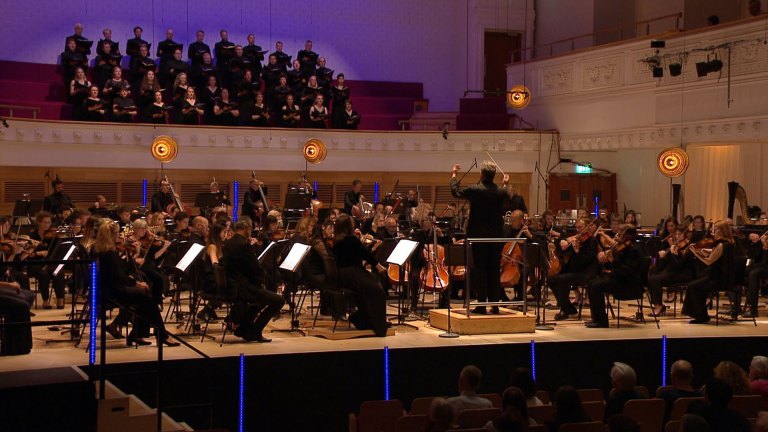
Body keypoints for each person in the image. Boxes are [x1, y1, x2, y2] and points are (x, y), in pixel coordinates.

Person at [94, 219, 179, 347]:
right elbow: (119, 276)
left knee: (146, 298)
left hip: (109, 289)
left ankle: (138, 335)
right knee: (148, 299)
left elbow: (122, 270)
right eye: (117, 233)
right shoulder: (110, 253)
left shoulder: (104, 251)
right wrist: (137, 284)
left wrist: (135, 254)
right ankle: (162, 335)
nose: (119, 236)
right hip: (113, 291)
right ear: (112, 235)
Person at [450, 161, 512, 314]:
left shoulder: (476, 189)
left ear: (482, 174)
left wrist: (454, 175)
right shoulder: (501, 192)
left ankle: (482, 305)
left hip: (478, 236)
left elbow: (456, 192)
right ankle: (495, 305)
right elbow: (505, 198)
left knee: (480, 271)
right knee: (493, 270)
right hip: (496, 237)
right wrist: (504, 185)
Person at [222, 219, 285, 342]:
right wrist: (263, 279)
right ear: (246, 228)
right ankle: (255, 331)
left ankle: (244, 329)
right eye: (250, 229)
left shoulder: (229, 243)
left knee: (260, 300)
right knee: (279, 300)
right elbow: (255, 268)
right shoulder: (243, 245)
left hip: (234, 285)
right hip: (242, 288)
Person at [332, 214, 389, 336]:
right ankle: (378, 325)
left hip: (342, 275)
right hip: (354, 273)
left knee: (365, 292)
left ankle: (365, 320)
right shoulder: (351, 240)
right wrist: (379, 267)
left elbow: (355, 252)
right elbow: (365, 254)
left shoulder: (337, 240)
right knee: (378, 292)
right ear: (349, 226)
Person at [585, 225, 645, 328]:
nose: (617, 234)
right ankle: (596, 318)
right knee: (591, 283)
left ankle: (602, 321)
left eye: (620, 232)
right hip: (618, 278)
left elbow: (628, 271)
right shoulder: (620, 247)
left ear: (628, 235)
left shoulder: (634, 250)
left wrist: (613, 260)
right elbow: (613, 266)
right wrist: (605, 259)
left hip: (628, 283)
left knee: (596, 286)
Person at [683, 220, 735, 323]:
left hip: (720, 279)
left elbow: (709, 261)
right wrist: (704, 250)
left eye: (715, 230)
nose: (713, 232)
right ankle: (701, 314)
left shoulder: (721, 245)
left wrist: (695, 253)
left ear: (721, 231)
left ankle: (701, 316)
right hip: (720, 276)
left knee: (693, 286)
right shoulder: (727, 243)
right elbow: (716, 252)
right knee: (697, 284)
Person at [551, 218, 600, 320]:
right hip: (573, 271)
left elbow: (585, 262)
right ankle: (569, 307)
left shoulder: (592, 242)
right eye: (577, 227)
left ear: (588, 227)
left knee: (563, 279)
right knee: (551, 280)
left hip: (586, 273)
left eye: (580, 227)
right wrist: (562, 243)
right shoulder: (577, 239)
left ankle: (564, 310)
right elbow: (561, 250)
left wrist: (577, 250)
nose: (578, 230)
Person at [743, 232, 768, 318]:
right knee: (742, 271)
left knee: (753, 274)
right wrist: (763, 245)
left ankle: (753, 309)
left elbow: (765, 262)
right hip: (764, 266)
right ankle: (736, 307)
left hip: (765, 267)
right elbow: (757, 257)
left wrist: (765, 246)